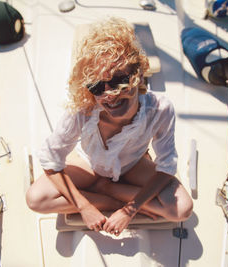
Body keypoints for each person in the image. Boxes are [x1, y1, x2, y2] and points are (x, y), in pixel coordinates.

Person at [26, 17, 193, 236]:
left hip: (132, 165)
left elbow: (166, 167)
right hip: (89, 163)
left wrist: (129, 210)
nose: (109, 95)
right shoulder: (83, 109)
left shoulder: (160, 109)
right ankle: (106, 197)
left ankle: (108, 188)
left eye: (118, 81)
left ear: (139, 75)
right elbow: (50, 160)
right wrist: (86, 207)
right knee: (35, 199)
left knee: (182, 209)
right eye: (97, 86)